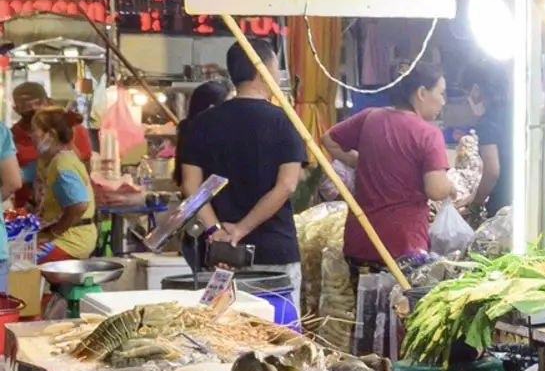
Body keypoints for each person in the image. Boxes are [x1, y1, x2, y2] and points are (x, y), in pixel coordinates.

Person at [177, 46, 307, 294]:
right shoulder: (284, 121)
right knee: (278, 329)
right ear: (264, 70)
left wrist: (216, 232)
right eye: (276, 67)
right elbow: (287, 185)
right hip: (274, 252)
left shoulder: (201, 124)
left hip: (220, 255)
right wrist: (241, 230)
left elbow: (190, 186)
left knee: (224, 330)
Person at [321, 65, 453, 282]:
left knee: (366, 310)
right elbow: (437, 190)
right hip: (403, 248)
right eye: (440, 93)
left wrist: (360, 161)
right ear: (421, 93)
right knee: (400, 311)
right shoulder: (428, 133)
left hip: (361, 240)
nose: (443, 101)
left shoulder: (370, 117)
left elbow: (329, 140)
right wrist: (451, 185)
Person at [32, 108, 98, 260]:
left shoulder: (62, 163)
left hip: (72, 240)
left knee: (18, 263)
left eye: (34, 130)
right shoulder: (49, 161)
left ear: (51, 135)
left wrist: (53, 233)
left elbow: (79, 205)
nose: (31, 136)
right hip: (67, 236)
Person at [12, 81, 90, 187]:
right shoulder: (10, 137)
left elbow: (86, 167)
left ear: (49, 102)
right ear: (16, 110)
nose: (33, 109)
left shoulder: (72, 129)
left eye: (38, 103)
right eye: (26, 107)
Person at [461, 66, 511, 220]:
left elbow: (492, 170)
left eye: (466, 93)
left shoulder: (488, 122)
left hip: (502, 206)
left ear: (476, 90)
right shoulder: (518, 112)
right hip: (528, 199)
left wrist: (475, 205)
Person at [172, 79, 231, 189]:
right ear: (212, 108)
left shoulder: (188, 129)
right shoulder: (202, 135)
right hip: (204, 198)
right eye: (227, 104)